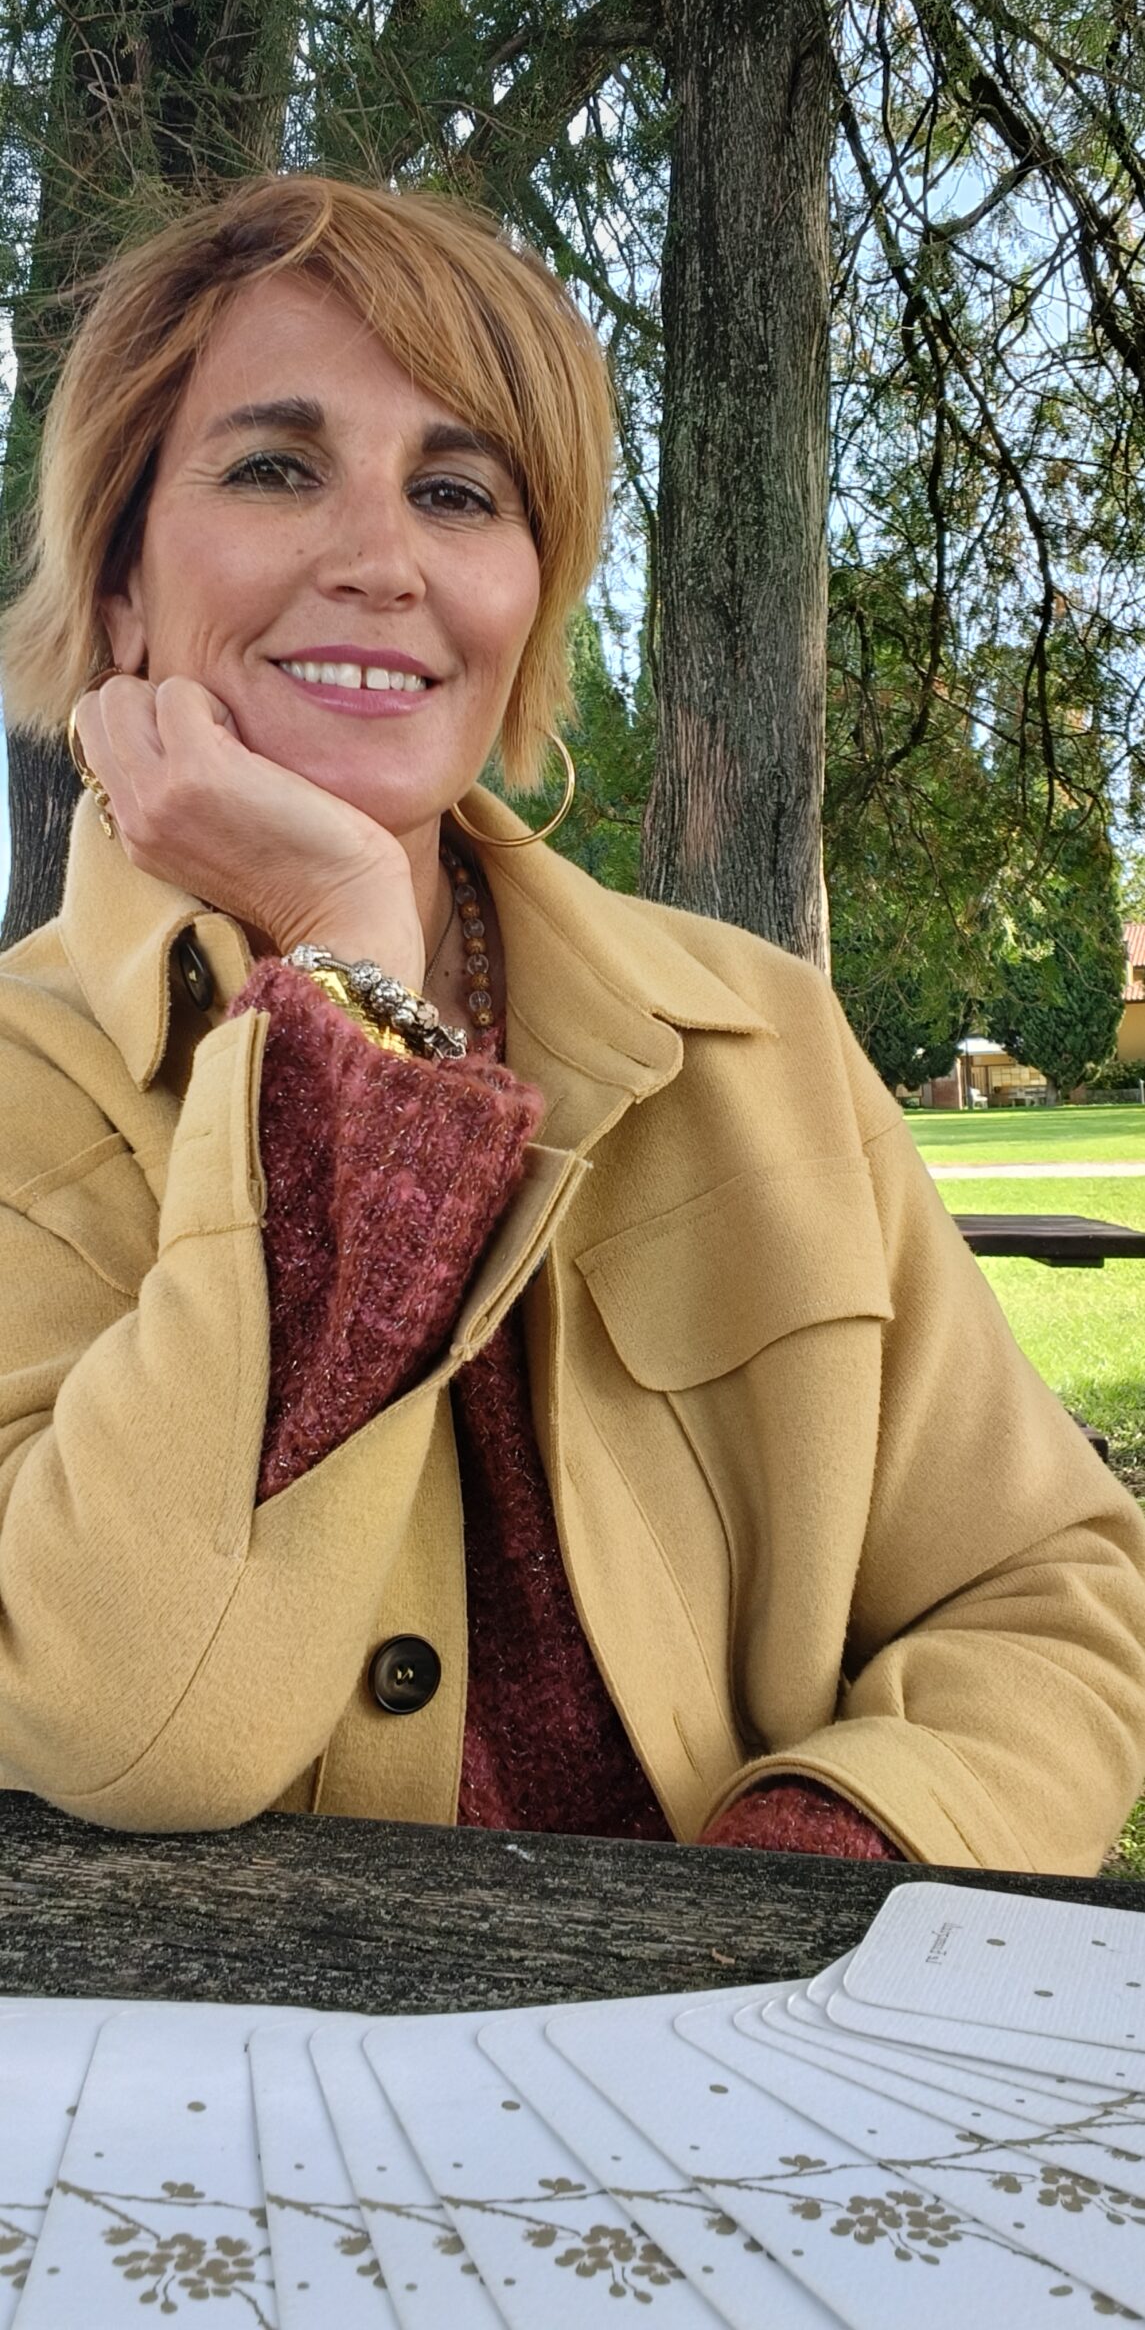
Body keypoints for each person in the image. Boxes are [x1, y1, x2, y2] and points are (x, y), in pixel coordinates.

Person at [1, 173, 1143, 1873]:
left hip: (754, 2034)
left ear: (530, 594)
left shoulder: (758, 1040)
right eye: (274, 468)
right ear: (118, 592)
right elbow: (129, 1718)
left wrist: (793, 1894)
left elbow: (1049, 1591)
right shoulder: (22, 1083)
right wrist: (349, 977)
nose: (378, 560)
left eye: (457, 492)